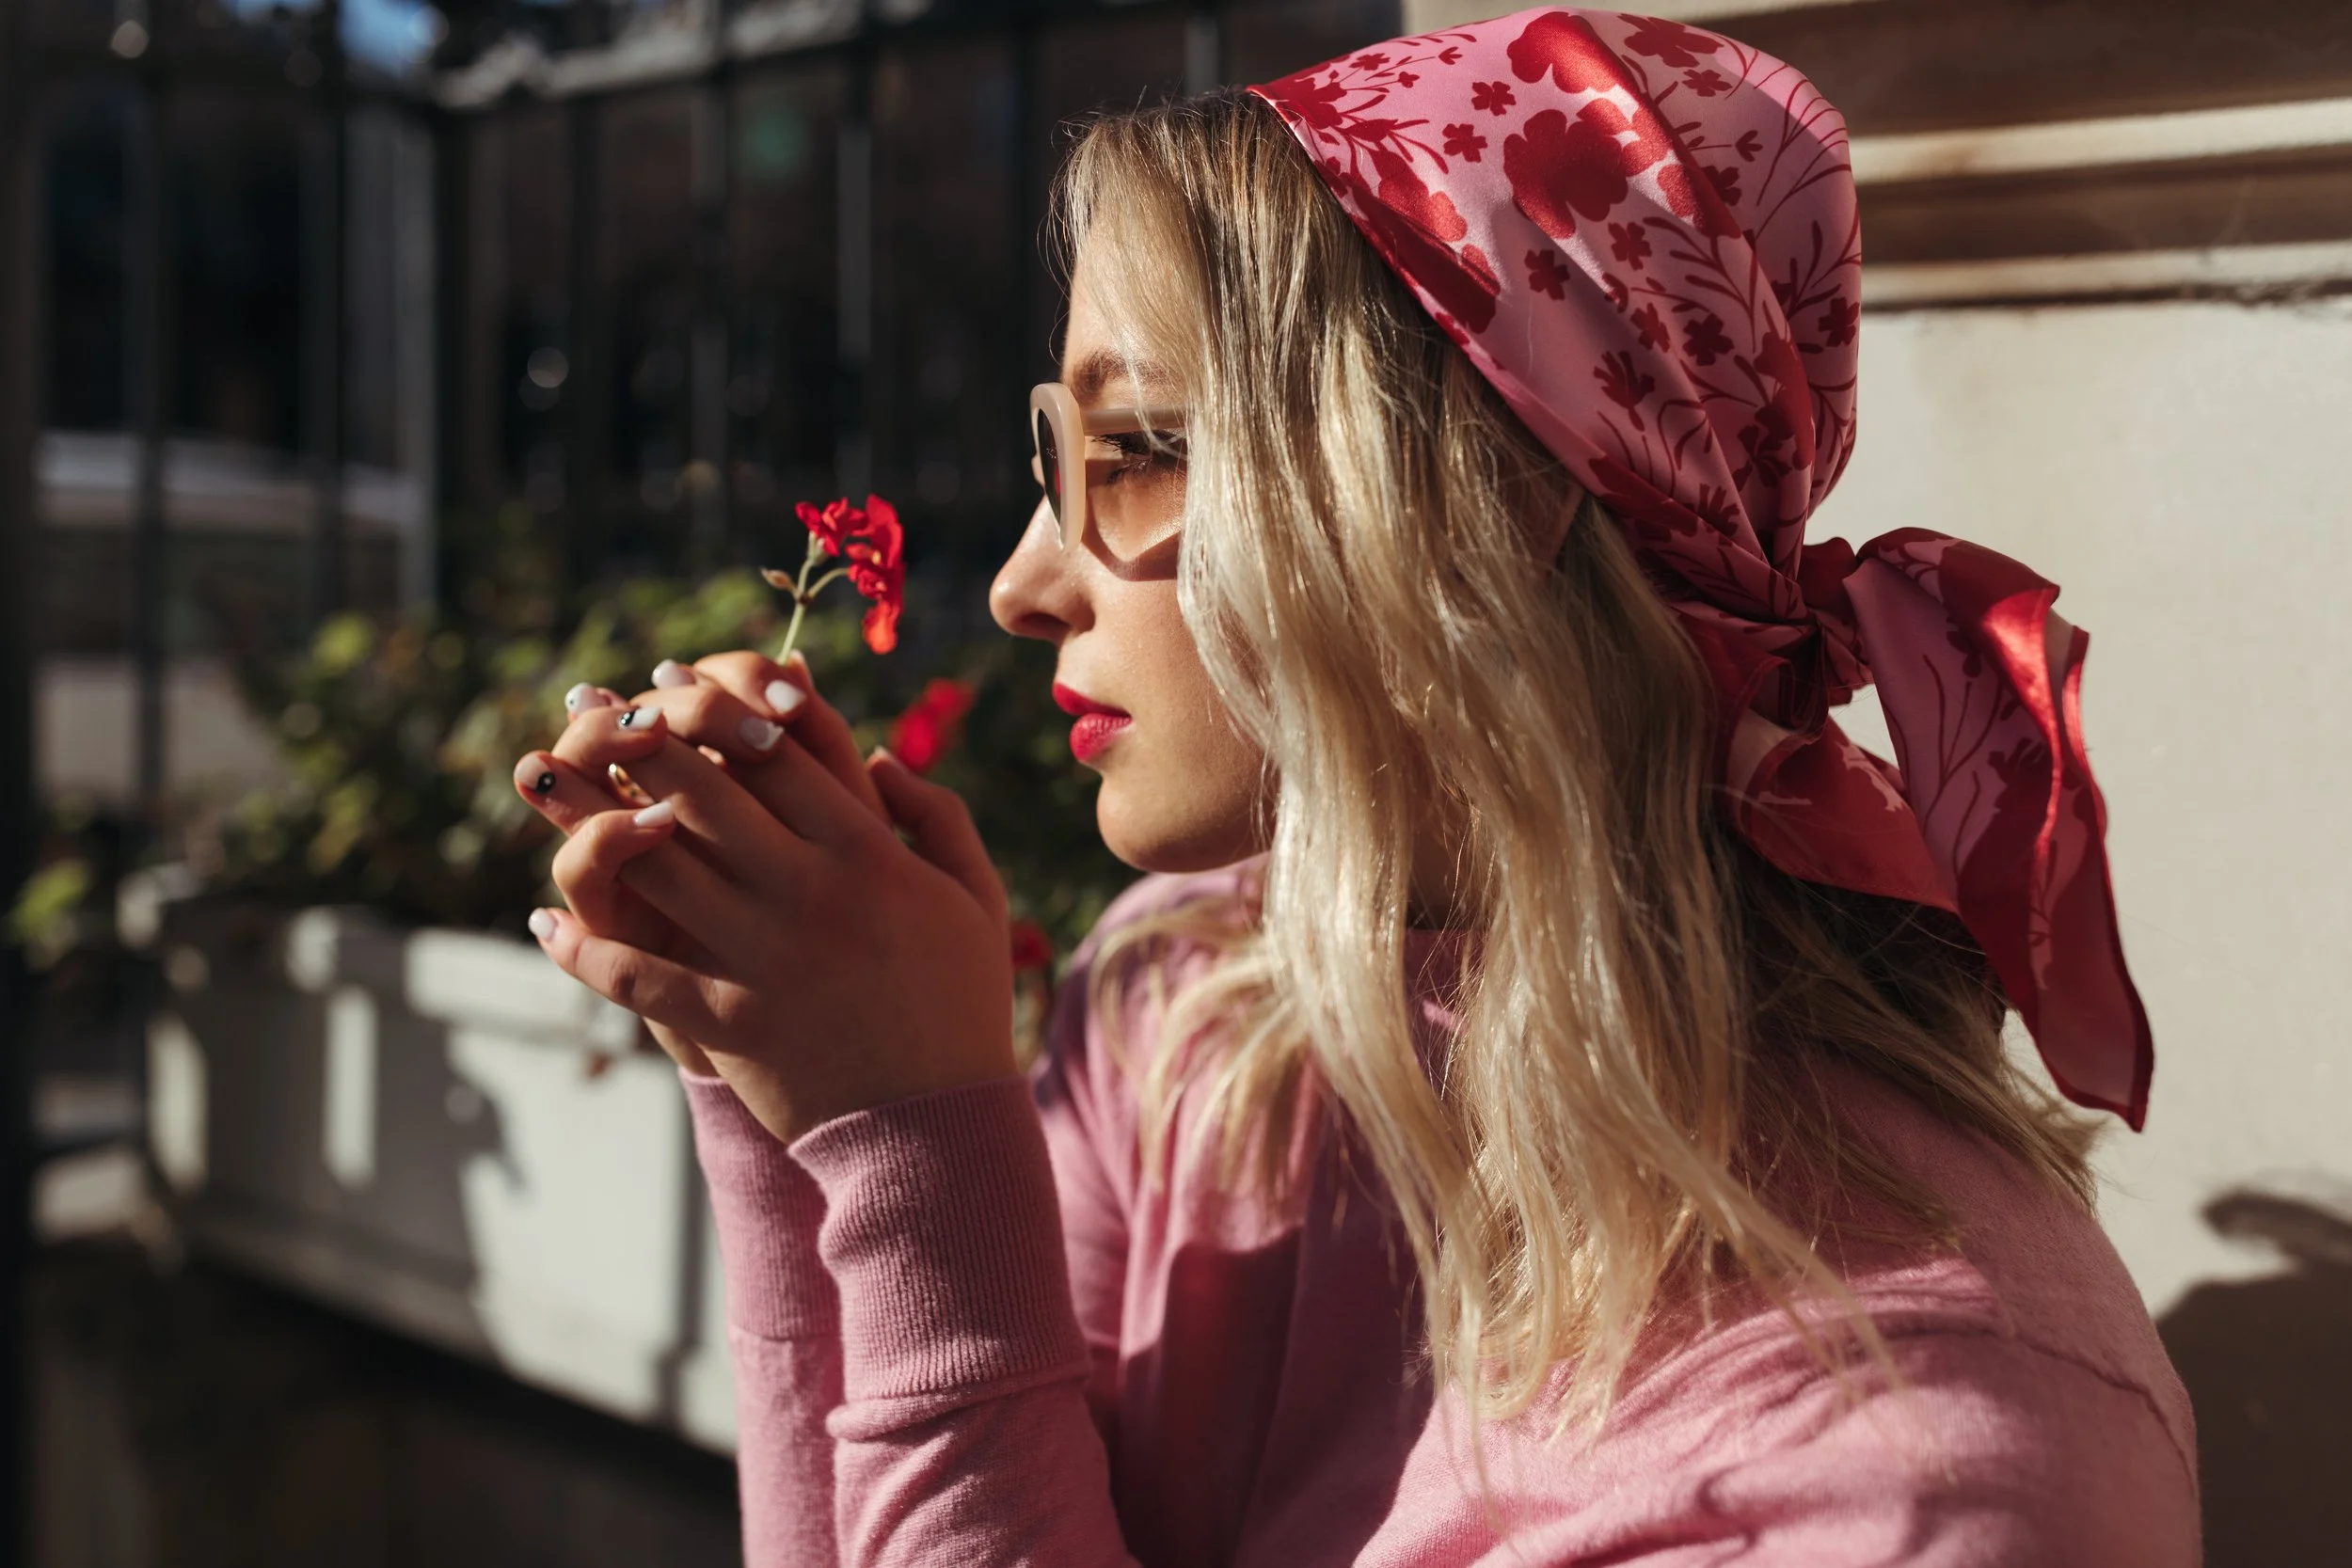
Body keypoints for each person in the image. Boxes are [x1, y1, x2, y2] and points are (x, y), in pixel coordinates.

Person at [509, 9, 2198, 1564]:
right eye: (1059, 444)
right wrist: (781, 1081)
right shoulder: (1199, 1012)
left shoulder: (1908, 1465)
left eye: (1146, 447)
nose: (1026, 582)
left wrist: (913, 1148)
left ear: (1489, 502)